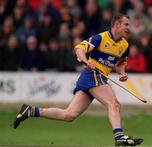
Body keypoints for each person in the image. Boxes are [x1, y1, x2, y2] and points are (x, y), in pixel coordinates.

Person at [13, 13, 143, 146]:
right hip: (92, 75)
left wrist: (122, 73)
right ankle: (119, 136)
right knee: (114, 104)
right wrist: (86, 61)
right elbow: (79, 48)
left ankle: (30, 111)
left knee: (69, 115)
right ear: (116, 25)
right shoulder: (100, 38)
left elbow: (121, 63)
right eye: (126, 24)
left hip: (98, 78)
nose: (128, 27)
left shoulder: (125, 46)